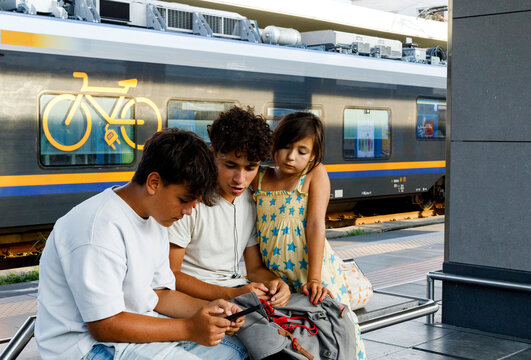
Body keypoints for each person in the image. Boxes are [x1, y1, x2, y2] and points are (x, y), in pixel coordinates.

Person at [35, 129, 248, 360]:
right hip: (85, 345)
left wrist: (210, 309)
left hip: (133, 327)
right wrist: (189, 329)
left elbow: (159, 294)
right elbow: (104, 325)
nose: (188, 211)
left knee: (237, 350)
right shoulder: (98, 229)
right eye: (184, 200)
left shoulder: (154, 216)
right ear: (154, 182)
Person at [252, 112, 367, 359]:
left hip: (313, 271)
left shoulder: (314, 174)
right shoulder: (259, 178)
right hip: (277, 274)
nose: (291, 156)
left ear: (313, 156)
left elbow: (315, 224)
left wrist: (315, 278)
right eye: (285, 147)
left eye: (302, 151)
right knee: (294, 329)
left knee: (334, 326)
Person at [168, 106, 290, 306]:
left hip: (236, 292)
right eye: (230, 165)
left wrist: (275, 283)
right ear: (212, 153)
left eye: (251, 168)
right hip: (197, 301)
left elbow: (254, 269)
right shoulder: (189, 201)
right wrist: (231, 294)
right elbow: (171, 274)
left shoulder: (250, 200)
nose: (240, 179)